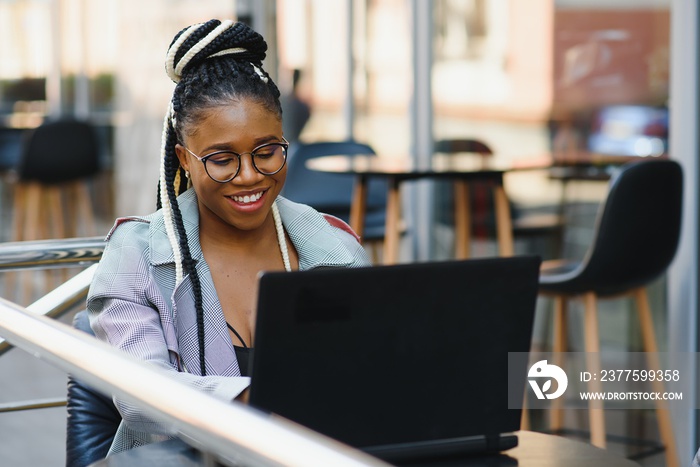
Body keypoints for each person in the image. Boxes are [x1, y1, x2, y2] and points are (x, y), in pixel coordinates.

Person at [86, 19, 371, 455]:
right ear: (184, 158)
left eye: (267, 151)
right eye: (222, 159)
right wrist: (284, 403)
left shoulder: (334, 246)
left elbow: (374, 369)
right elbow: (145, 397)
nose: (250, 175)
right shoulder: (137, 255)